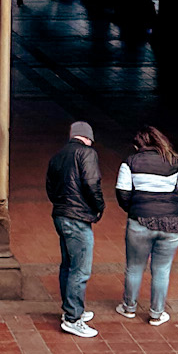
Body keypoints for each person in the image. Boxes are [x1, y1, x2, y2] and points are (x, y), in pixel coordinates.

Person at [115, 126, 178, 328]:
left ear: (139, 145)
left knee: (134, 267)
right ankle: (156, 314)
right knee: (161, 270)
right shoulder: (175, 163)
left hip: (140, 223)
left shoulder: (130, 163)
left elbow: (122, 194)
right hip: (172, 224)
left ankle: (128, 307)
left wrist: (135, 209)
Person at [45, 120, 105, 337]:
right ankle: (73, 318)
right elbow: (92, 182)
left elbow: (50, 188)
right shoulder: (87, 154)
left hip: (61, 215)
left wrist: (61, 204)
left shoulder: (57, 156)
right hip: (77, 218)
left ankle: (71, 308)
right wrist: (99, 206)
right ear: (88, 137)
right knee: (80, 269)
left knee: (67, 266)